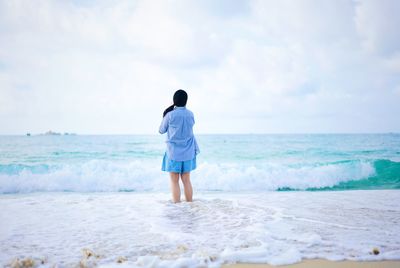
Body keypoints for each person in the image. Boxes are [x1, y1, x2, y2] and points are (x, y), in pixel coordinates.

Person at [159, 89, 200, 203]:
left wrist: (165, 116)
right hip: (188, 151)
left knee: (174, 180)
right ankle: (189, 206)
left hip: (173, 153)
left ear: (174, 100)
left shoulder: (170, 115)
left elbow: (161, 130)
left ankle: (177, 208)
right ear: (186, 101)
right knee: (186, 180)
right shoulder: (190, 114)